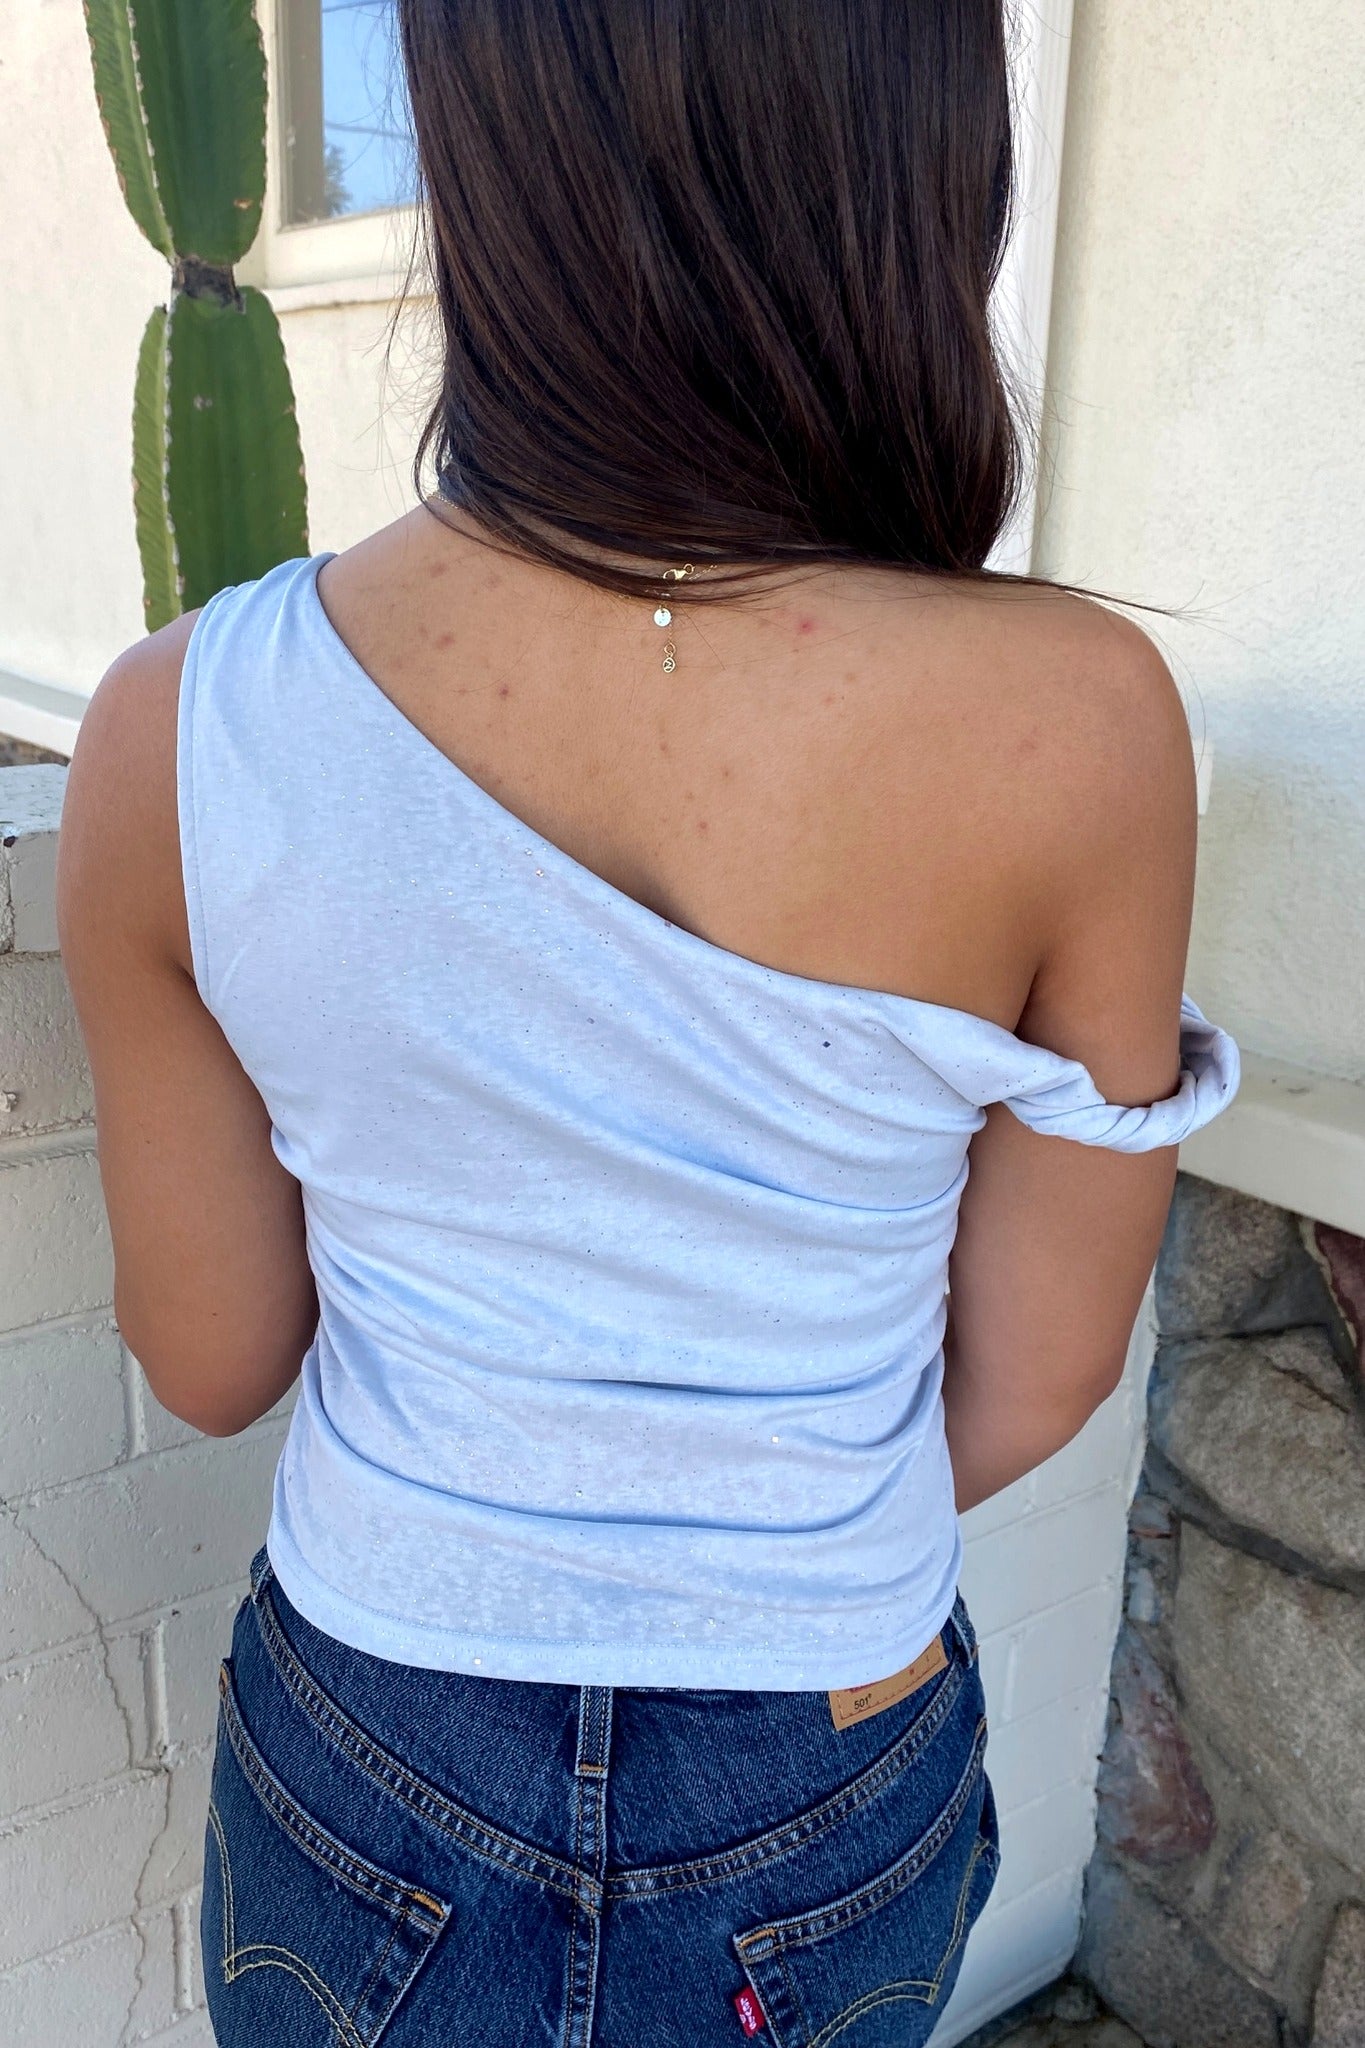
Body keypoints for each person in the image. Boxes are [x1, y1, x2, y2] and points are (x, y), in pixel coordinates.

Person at [55, 2, 1238, 2043]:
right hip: (818, 1729)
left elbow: (214, 1353)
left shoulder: (180, 727)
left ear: (481, 162)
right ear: (918, 168)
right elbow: (1033, 1382)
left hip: (378, 1712)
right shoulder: (1078, 721)